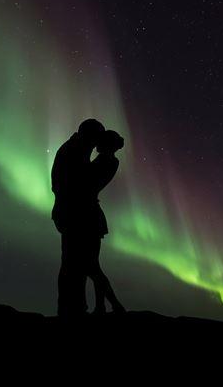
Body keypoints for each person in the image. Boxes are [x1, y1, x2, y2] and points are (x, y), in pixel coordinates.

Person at [51, 119, 106, 317]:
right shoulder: (73, 151)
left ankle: (73, 308)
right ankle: (71, 309)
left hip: (72, 213)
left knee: (75, 264)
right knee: (73, 264)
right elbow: (73, 185)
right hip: (73, 214)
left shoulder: (76, 149)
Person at [87, 130, 126, 315]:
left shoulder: (107, 161)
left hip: (90, 214)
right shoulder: (110, 161)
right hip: (93, 214)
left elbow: (87, 180)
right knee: (93, 265)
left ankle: (114, 305)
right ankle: (103, 306)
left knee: (91, 266)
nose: (96, 145)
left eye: (101, 142)